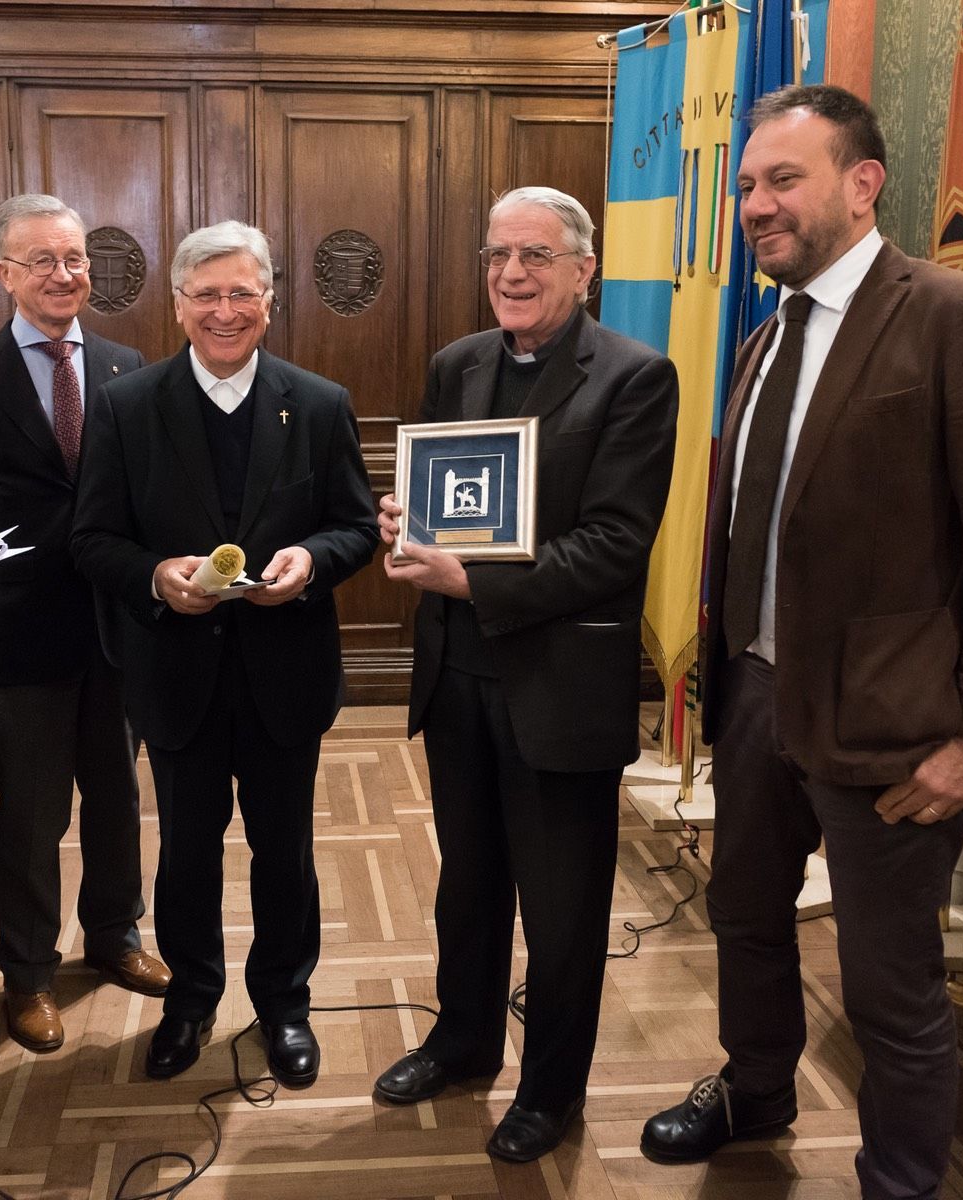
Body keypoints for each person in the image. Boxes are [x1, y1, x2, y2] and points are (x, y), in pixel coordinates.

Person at [637, 86, 963, 1200]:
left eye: (784, 180)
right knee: (744, 917)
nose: (756, 205)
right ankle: (757, 1090)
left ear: (862, 182)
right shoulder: (770, 329)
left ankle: (900, 1181)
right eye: (745, 186)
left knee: (890, 988)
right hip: (758, 697)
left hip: (895, 725)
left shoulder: (957, 317)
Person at [372, 186, 678, 1163]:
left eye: (537, 255)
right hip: (457, 677)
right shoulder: (456, 364)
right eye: (500, 253)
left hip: (559, 689)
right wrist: (408, 528)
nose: (512, 272)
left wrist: (470, 576)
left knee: (562, 908)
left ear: (585, 270)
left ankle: (551, 1090)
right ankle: (462, 1042)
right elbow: (445, 506)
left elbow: (614, 548)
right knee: (467, 888)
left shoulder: (633, 378)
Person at [70, 221, 377, 1087]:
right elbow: (91, 539)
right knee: (188, 853)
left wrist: (313, 562)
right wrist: (157, 577)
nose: (225, 310)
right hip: (176, 677)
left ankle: (285, 1005)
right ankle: (191, 1000)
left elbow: (354, 526)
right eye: (206, 295)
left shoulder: (319, 403)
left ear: (271, 303)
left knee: (285, 852)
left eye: (243, 293)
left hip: (287, 675)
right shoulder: (127, 407)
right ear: (177, 305)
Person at [0, 193, 168, 1055]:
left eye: (76, 258)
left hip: (118, 625)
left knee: (118, 796)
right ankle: (28, 974)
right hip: (26, 626)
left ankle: (116, 934)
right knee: (32, 810)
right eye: (42, 260)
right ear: (6, 274)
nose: (63, 274)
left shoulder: (127, 366)